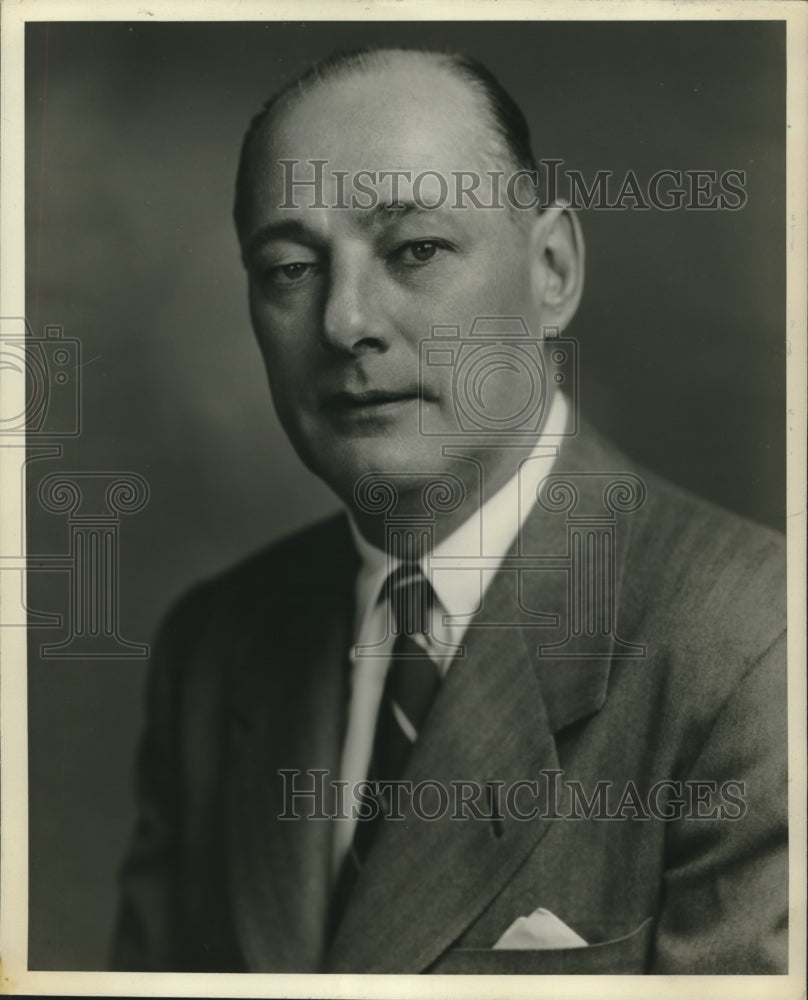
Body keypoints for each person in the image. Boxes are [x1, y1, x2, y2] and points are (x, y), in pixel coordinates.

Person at [110, 47, 787, 975]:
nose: (345, 322)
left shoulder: (755, 646)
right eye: (290, 268)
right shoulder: (214, 649)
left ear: (551, 269)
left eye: (415, 250)